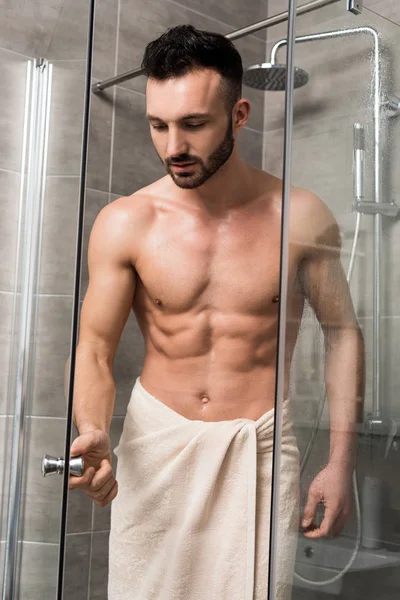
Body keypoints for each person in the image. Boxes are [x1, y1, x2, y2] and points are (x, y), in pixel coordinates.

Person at [67, 25, 365, 600]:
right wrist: (93, 432)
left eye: (193, 124)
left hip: (259, 446)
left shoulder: (300, 218)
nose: (173, 145)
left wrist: (341, 460)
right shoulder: (127, 222)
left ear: (239, 114)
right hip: (157, 447)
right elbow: (94, 349)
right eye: (159, 124)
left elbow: (343, 334)